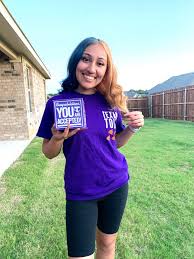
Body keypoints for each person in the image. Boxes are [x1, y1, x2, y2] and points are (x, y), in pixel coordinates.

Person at [36, 37, 144, 259]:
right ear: (76, 61)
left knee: (107, 244)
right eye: (86, 59)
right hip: (81, 192)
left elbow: (114, 142)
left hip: (116, 184)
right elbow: (48, 153)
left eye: (100, 63)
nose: (91, 68)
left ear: (106, 69)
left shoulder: (110, 101)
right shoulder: (57, 104)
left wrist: (132, 128)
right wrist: (57, 138)